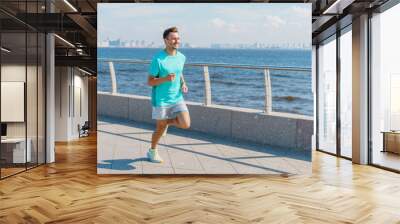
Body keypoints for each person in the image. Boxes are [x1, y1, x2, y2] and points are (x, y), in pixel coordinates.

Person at [147, 27, 191, 163]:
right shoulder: (158, 59)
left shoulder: (181, 57)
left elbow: (179, 72)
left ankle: (167, 123)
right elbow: (150, 81)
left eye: (178, 38)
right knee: (159, 129)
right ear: (166, 40)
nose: (176, 40)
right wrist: (165, 79)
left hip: (177, 97)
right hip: (161, 99)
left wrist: (183, 83)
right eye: (173, 38)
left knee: (185, 124)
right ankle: (152, 151)